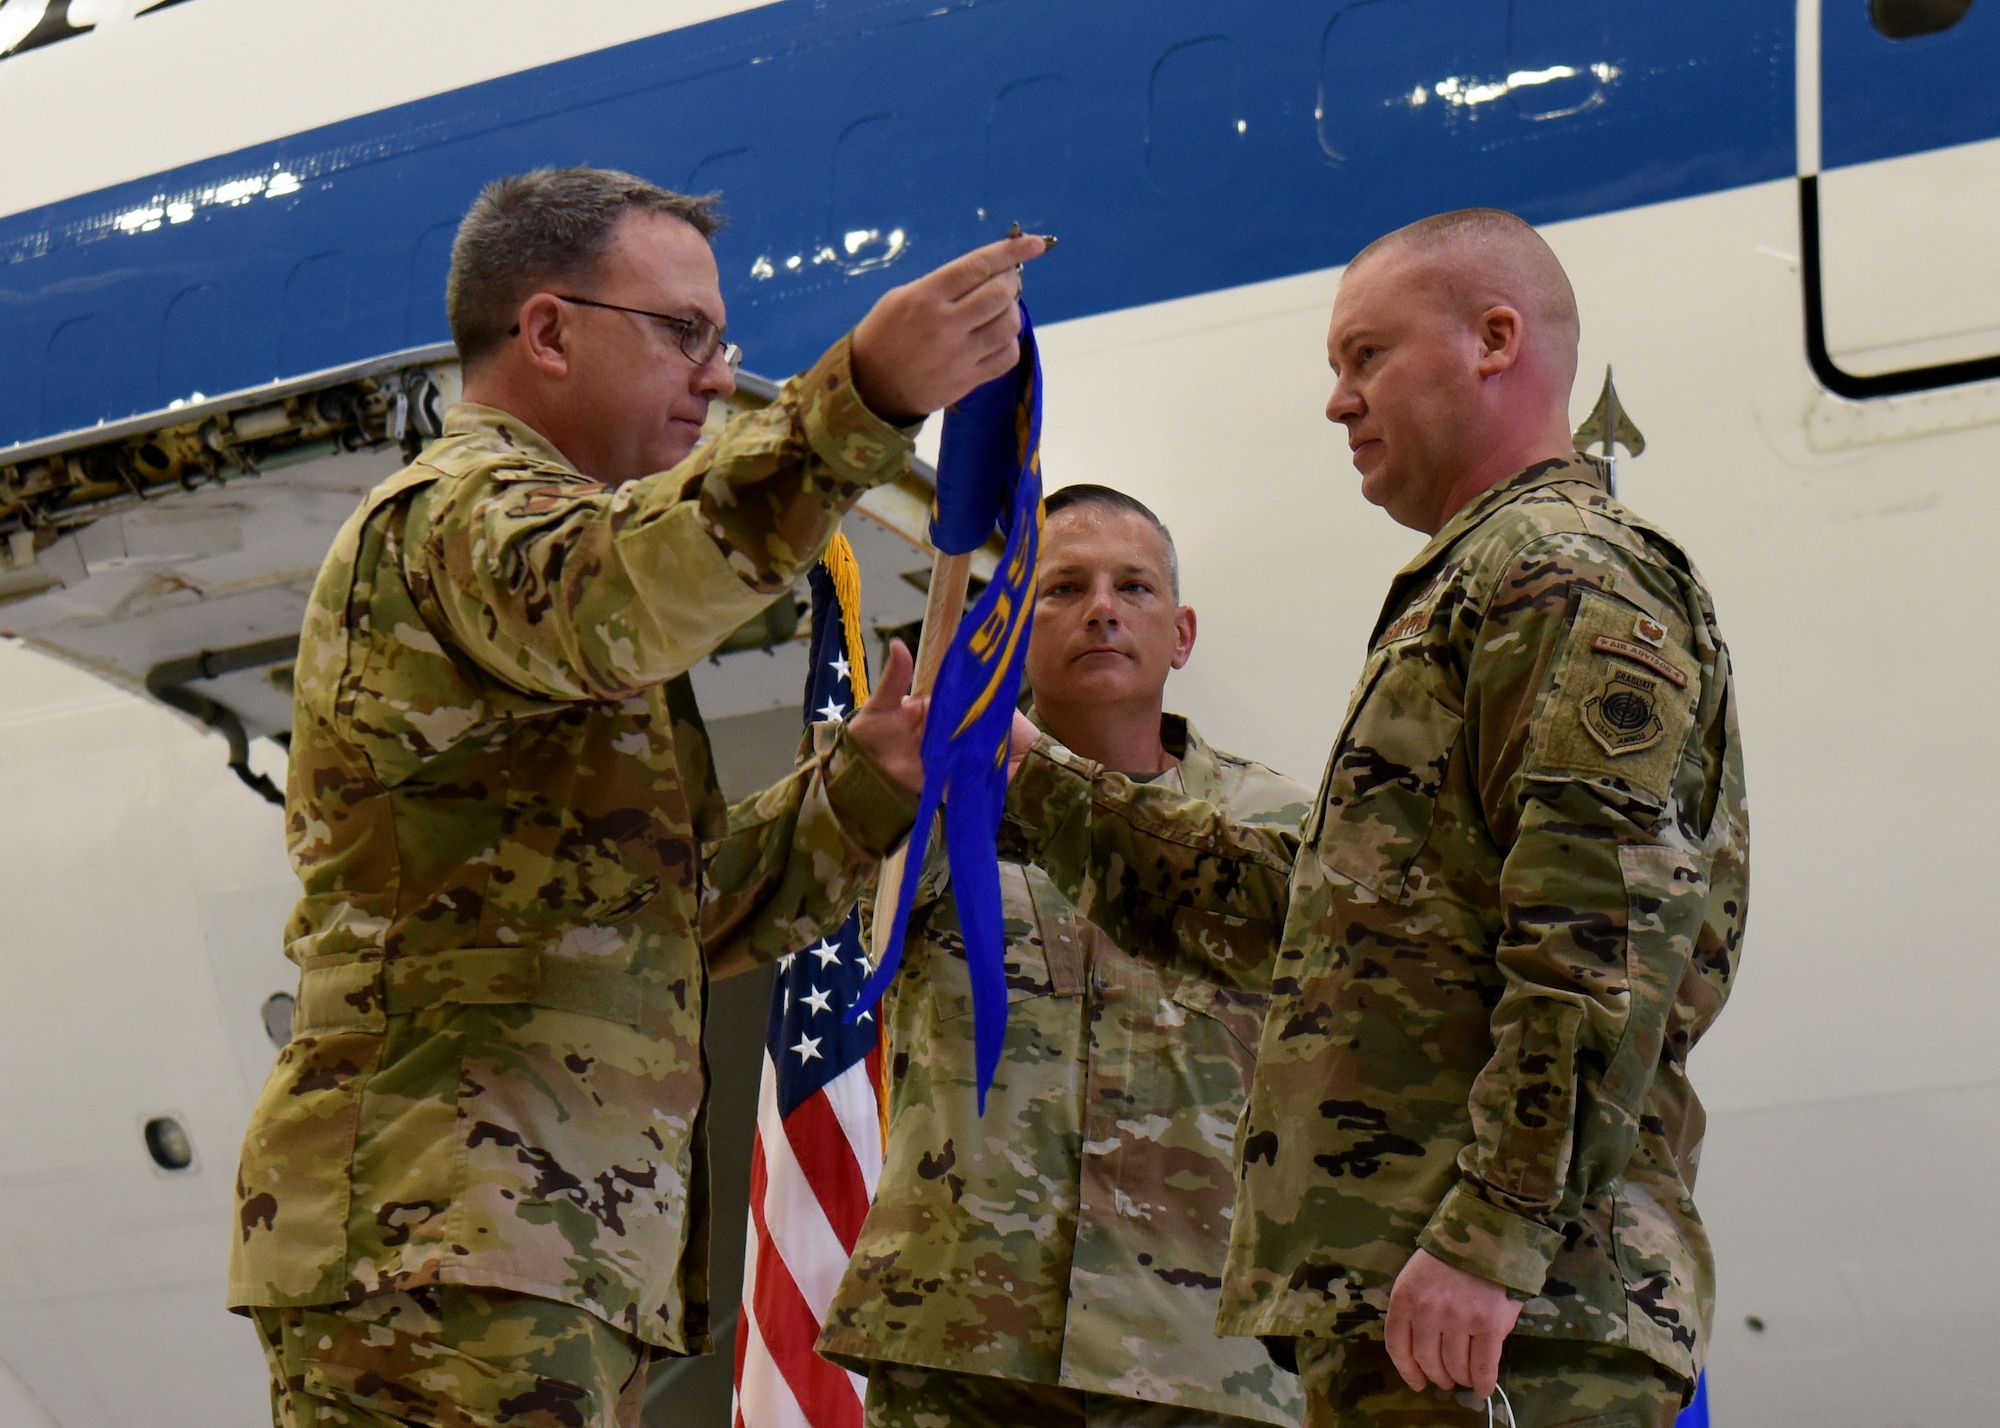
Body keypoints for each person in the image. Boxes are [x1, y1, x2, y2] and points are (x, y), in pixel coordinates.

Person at [228, 165, 1044, 1428]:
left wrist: (865, 787)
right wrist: (864, 397)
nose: (717, 376)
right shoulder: (454, 518)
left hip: (532, 1242)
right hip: (439, 1232)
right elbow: (624, 590)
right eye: (684, 333)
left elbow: (667, 915)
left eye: (723, 340)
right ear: (547, 331)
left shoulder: (543, 562)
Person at [998, 210, 1748, 1427]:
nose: (1337, 403)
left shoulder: (1560, 571)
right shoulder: (1471, 583)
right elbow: (1311, 926)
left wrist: (1495, 1230)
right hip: (1416, 1307)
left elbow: (1599, 941)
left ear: (1493, 340)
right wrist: (1026, 769)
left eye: (1364, 358)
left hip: (1510, 1314)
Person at [818, 484, 1310, 1428]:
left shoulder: (1275, 829)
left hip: (1206, 1357)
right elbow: (792, 910)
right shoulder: (921, 802)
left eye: (1134, 587)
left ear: (1184, 633)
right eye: (1064, 588)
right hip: (963, 1342)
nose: (1103, 609)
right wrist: (869, 776)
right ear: (1006, 628)